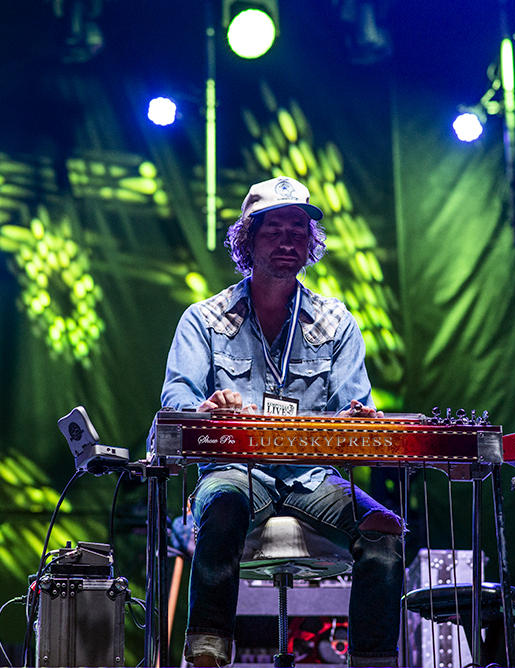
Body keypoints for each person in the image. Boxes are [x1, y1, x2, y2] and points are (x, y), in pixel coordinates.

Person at [158, 176, 404, 667]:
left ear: (310, 243)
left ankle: (373, 661)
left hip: (312, 477)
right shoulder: (204, 318)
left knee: (385, 532)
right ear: (247, 240)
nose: (288, 241)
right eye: (274, 231)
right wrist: (204, 406)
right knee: (222, 508)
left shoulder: (336, 321)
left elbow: (355, 406)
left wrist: (359, 418)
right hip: (233, 472)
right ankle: (206, 652)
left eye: (298, 230)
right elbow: (176, 396)